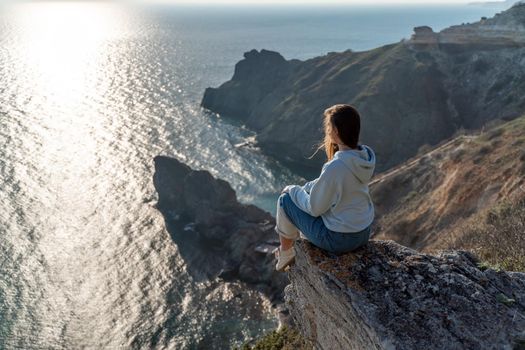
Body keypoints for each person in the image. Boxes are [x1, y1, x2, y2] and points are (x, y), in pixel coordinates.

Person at [274, 104, 376, 271]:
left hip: (339, 240)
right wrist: (307, 188)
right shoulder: (364, 158)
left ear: (335, 131)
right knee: (301, 197)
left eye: (328, 126)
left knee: (285, 200)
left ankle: (286, 252)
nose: (326, 130)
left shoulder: (336, 167)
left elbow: (315, 209)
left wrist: (292, 190)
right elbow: (330, 183)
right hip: (363, 233)